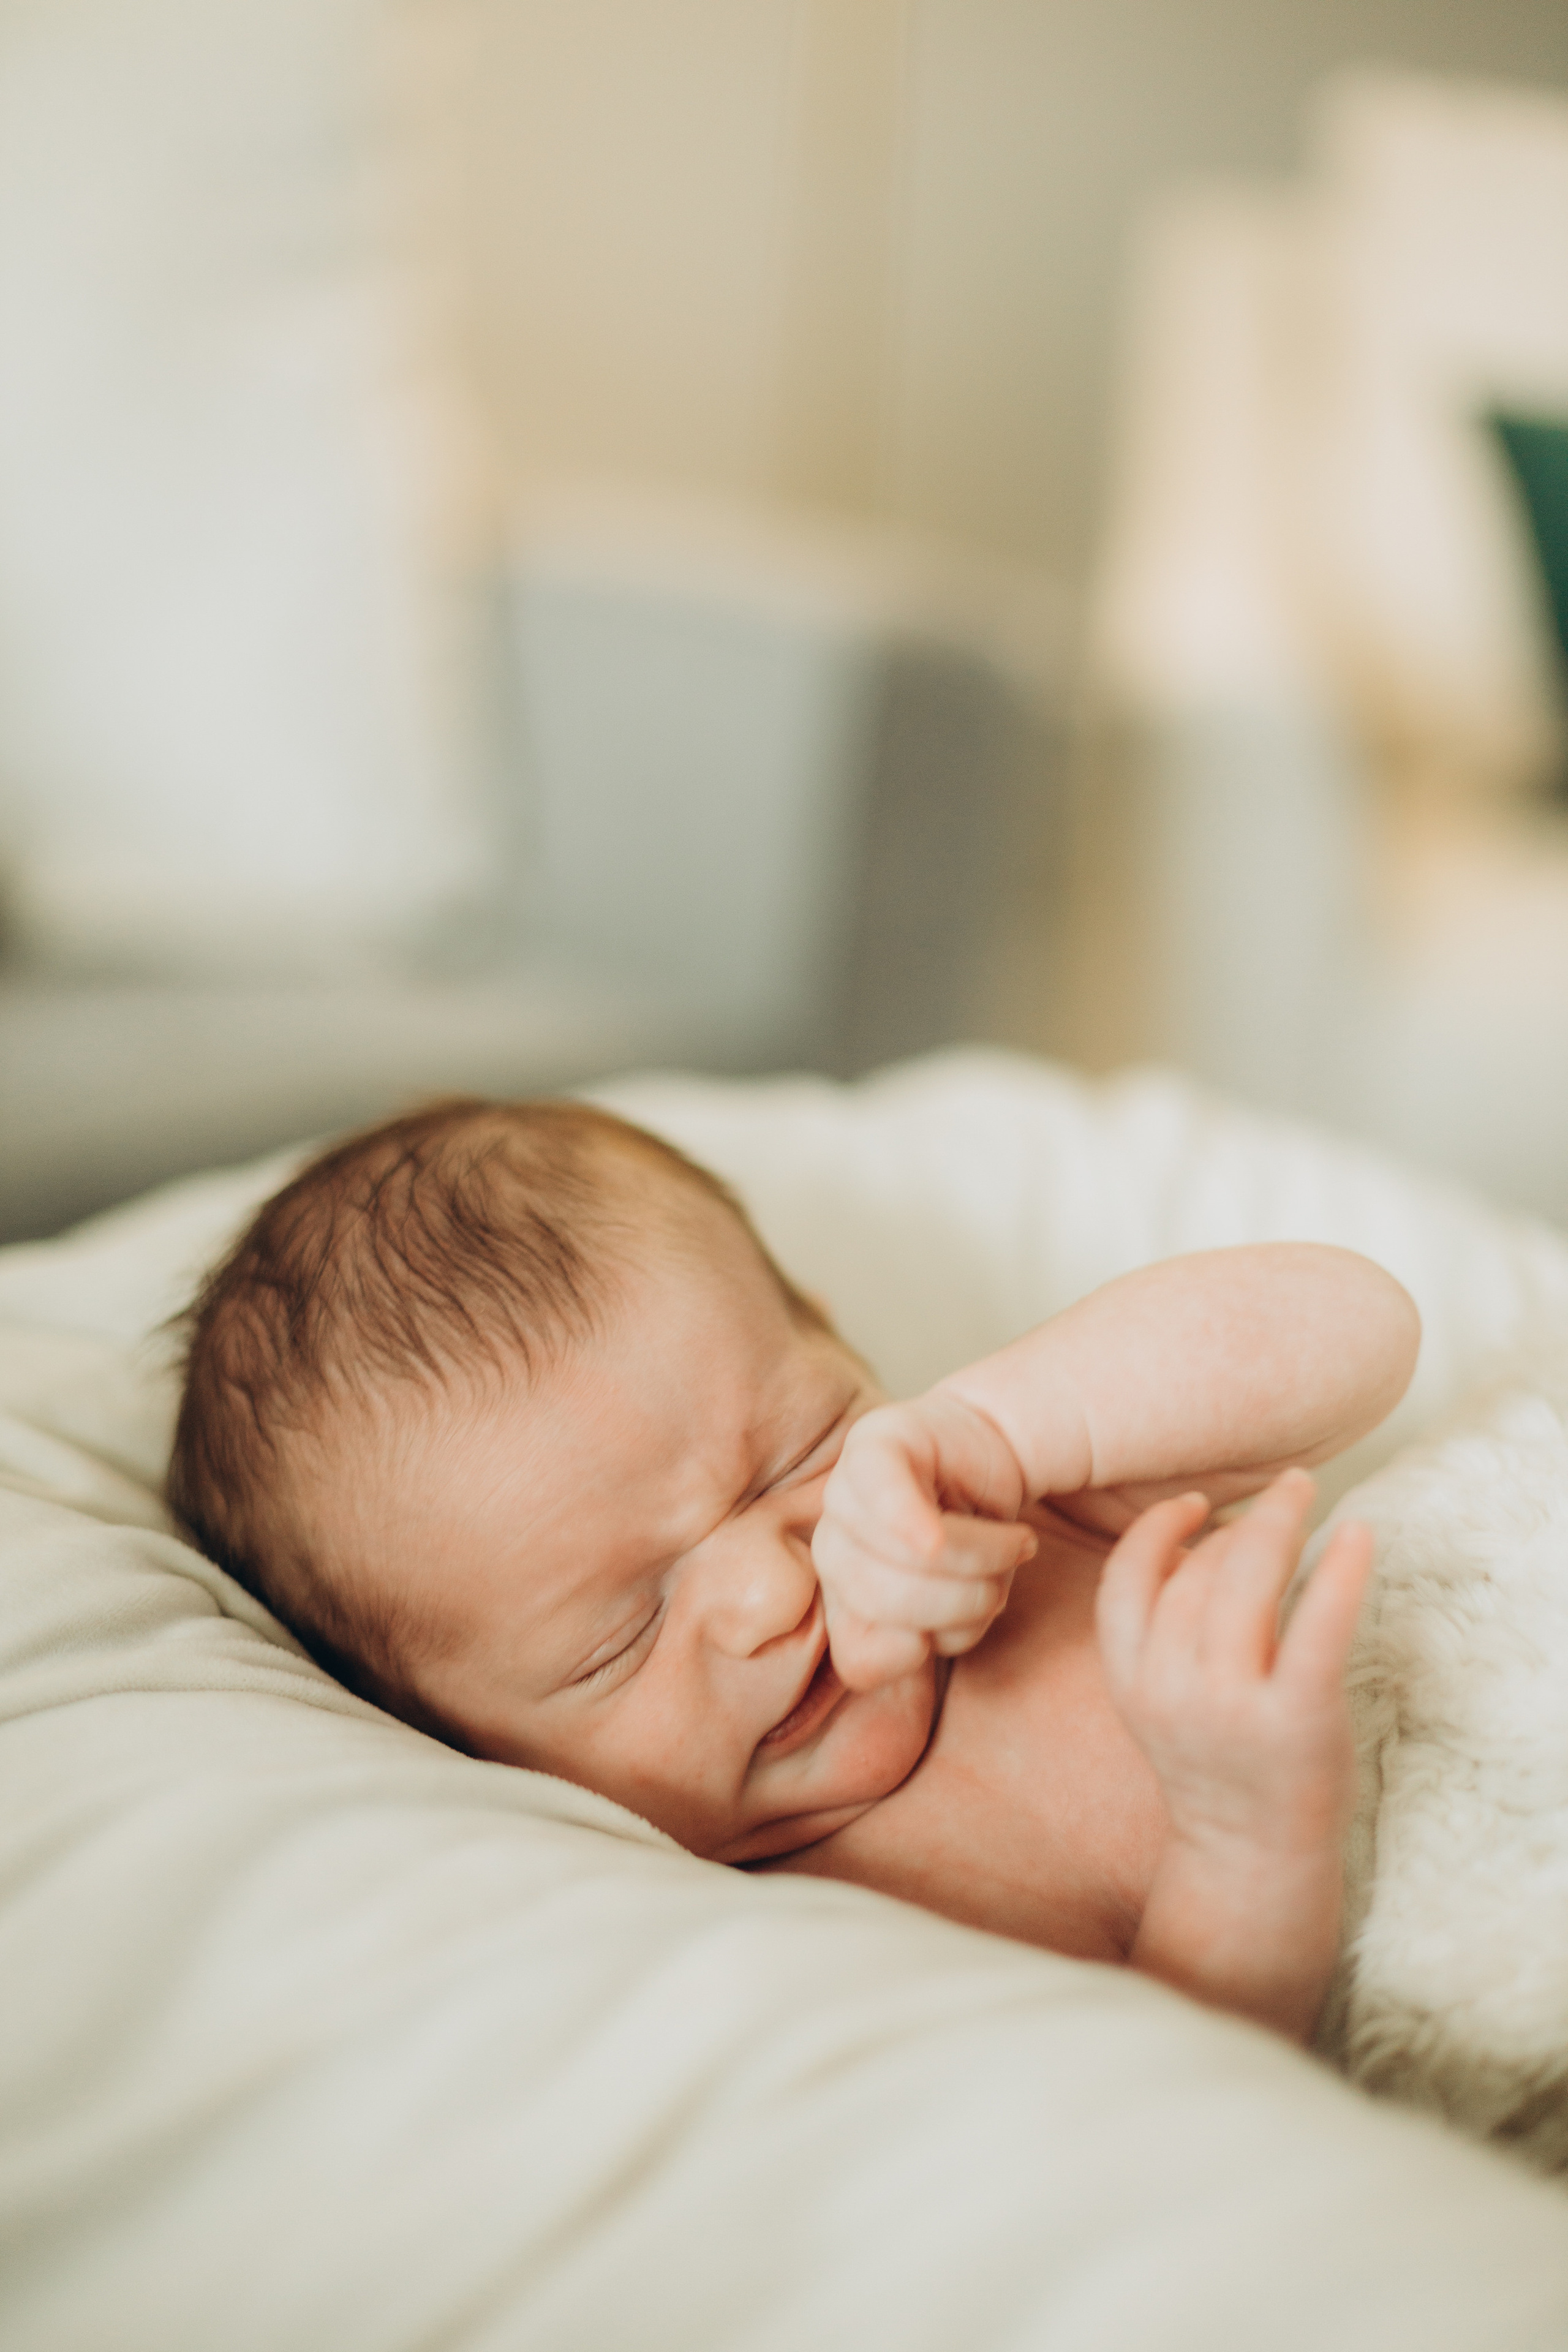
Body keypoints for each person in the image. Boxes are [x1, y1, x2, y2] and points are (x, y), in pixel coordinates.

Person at [168, 1096, 1419, 2045]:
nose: (771, 1590)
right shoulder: (781, 1949)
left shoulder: (1006, 1510)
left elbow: (1362, 1329)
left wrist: (994, 1430)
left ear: (831, 1336)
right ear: (457, 1747)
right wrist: (1239, 1847)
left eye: (795, 1451)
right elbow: (1174, 2133)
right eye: (621, 1636)